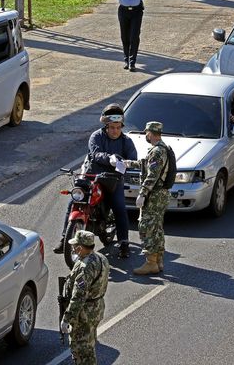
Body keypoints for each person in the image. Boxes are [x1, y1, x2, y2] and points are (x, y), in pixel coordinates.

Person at [54, 103, 137, 258]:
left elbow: (133, 159)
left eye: (118, 127)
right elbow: (96, 154)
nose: (115, 131)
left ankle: (124, 242)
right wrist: (109, 158)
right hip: (91, 177)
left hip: (113, 181)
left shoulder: (127, 141)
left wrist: (127, 163)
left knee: (119, 208)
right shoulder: (96, 137)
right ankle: (64, 237)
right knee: (73, 201)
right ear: (106, 126)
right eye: (112, 127)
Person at [125, 121, 170, 275]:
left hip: (155, 195)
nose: (146, 135)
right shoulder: (161, 149)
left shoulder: (158, 151)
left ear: (150, 133)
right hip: (159, 194)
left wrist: (142, 193)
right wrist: (127, 163)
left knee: (147, 227)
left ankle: (151, 262)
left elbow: (153, 174)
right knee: (156, 227)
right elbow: (146, 165)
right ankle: (158, 261)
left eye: (146, 133)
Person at [60, 230, 110, 365]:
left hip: (84, 313)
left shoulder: (84, 267)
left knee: (81, 348)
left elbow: (79, 296)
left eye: (74, 245)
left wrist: (67, 318)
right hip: (97, 307)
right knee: (89, 343)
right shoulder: (101, 258)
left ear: (80, 247)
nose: (72, 248)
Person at [113, 0, 147, 72]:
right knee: (125, 36)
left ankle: (132, 62)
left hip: (136, 11)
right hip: (123, 10)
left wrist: (134, 1)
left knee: (134, 36)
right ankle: (126, 60)